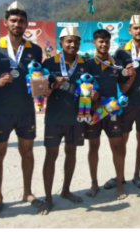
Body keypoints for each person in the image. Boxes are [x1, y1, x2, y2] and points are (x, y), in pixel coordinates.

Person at [0, 1, 51, 215]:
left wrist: (43, 89)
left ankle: (28, 192)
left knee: (27, 152)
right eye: (13, 20)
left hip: (26, 111)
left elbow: (36, 79)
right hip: (1, 111)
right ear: (6, 23)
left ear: (26, 24)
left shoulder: (35, 49)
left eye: (21, 21)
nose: (17, 24)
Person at [38, 27, 97, 215]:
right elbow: (38, 90)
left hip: (76, 118)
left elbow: (92, 88)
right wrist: (49, 86)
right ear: (61, 42)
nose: (72, 45)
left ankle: (65, 190)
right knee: (51, 156)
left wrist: (95, 95)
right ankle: (48, 198)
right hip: (54, 118)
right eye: (68, 41)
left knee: (71, 153)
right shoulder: (49, 63)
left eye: (76, 41)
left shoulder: (85, 64)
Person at [107, 15, 140, 190]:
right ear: (129, 30)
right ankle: (119, 175)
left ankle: (137, 174)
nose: (139, 31)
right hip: (126, 103)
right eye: (135, 28)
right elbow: (116, 77)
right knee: (122, 140)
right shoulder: (121, 51)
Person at [84, 29, 135, 200]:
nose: (104, 44)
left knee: (118, 148)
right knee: (93, 147)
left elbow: (123, 88)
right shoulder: (88, 64)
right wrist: (90, 96)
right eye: (100, 41)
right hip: (94, 112)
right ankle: (93, 183)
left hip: (113, 111)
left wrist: (131, 79)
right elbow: (82, 88)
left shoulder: (118, 64)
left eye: (106, 41)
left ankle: (120, 184)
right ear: (94, 43)